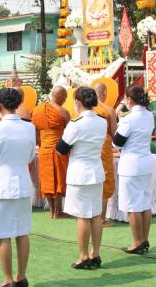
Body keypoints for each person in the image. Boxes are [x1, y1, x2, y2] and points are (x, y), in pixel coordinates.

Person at [0, 88, 36, 287]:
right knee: (22, 232)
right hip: (21, 182)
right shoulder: (29, 127)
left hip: (1, 184)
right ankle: (21, 277)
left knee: (3, 234)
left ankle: (7, 279)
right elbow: (30, 156)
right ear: (18, 105)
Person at [56, 87, 107, 270]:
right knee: (95, 215)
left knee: (82, 217)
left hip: (80, 174)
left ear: (77, 102)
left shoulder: (76, 124)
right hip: (95, 171)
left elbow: (62, 148)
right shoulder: (102, 121)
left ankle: (84, 256)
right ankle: (96, 253)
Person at [112, 85, 154, 254]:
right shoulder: (149, 115)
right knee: (144, 203)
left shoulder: (129, 118)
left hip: (131, 164)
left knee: (133, 205)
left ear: (129, 100)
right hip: (145, 162)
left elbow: (117, 142)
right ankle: (144, 239)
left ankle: (137, 241)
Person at [32, 86, 70, 219]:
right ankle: (58, 211)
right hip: (59, 149)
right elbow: (68, 134)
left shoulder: (37, 110)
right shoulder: (63, 112)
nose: (65, 101)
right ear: (59, 96)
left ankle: (52, 211)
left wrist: (42, 144)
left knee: (47, 179)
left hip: (44, 149)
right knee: (59, 178)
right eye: (64, 98)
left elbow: (35, 132)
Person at [93, 83, 117, 227]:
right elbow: (114, 133)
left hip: (89, 146)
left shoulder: (86, 110)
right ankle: (101, 218)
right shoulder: (108, 110)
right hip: (104, 145)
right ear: (104, 93)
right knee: (105, 179)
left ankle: (90, 216)